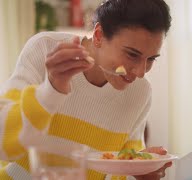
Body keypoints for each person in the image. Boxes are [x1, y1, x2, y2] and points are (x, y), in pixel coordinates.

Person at [0, 0, 171, 179]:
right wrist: (51, 89)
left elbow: (120, 170)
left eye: (151, 59)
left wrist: (140, 174)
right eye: (132, 54)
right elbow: (2, 143)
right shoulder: (45, 49)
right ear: (98, 35)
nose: (141, 72)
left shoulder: (140, 92)